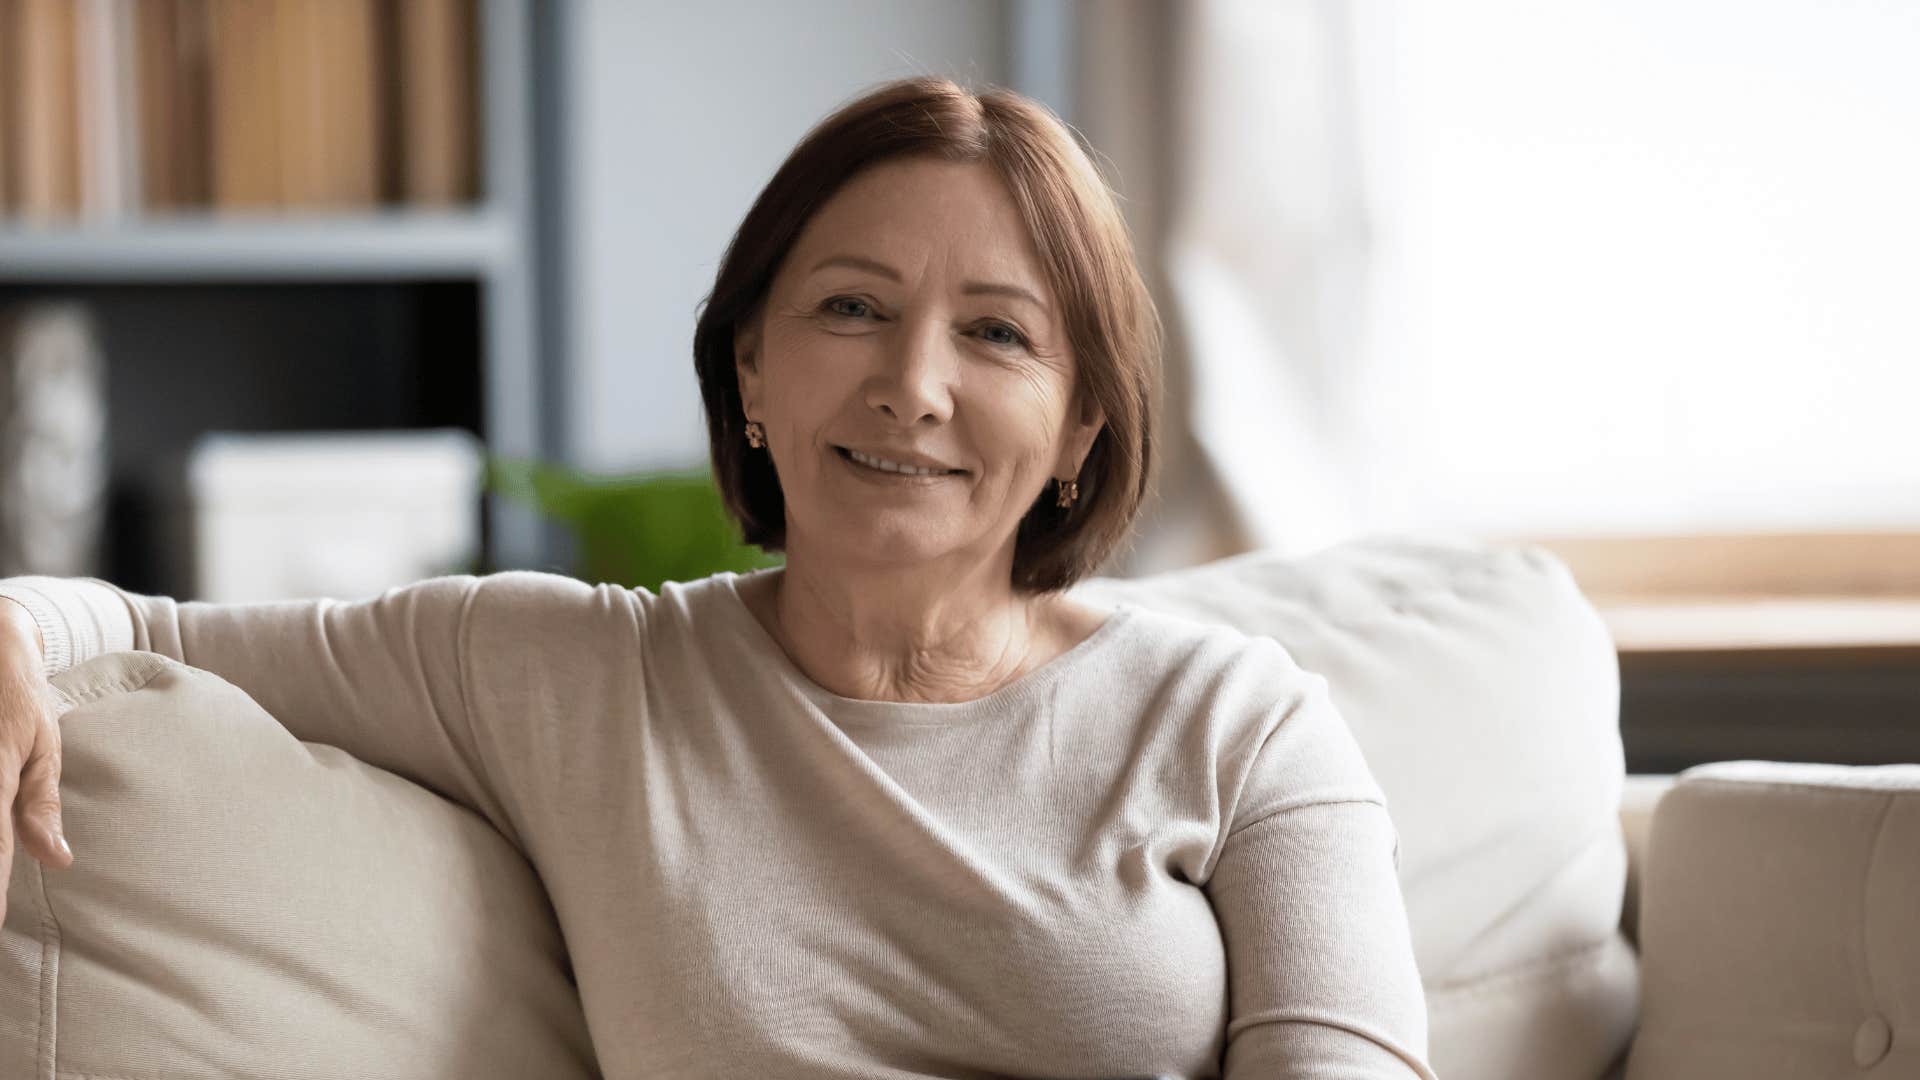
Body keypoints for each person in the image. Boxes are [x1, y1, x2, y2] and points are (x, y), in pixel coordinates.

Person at [0, 78, 1435, 1079]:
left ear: (1082, 424)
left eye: (997, 335)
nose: (912, 386)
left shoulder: (1244, 727)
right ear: (751, 370)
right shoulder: (570, 677)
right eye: (850, 309)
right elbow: (132, 621)